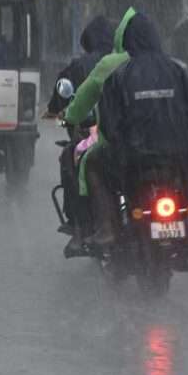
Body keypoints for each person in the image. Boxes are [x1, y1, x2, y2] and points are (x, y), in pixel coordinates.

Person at [90, 12, 188, 246]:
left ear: (128, 42)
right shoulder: (179, 70)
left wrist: (121, 151)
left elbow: (109, 126)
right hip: (179, 158)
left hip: (136, 160)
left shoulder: (119, 75)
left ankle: (109, 227)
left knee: (94, 163)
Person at [49, 16, 115, 257]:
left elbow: (59, 103)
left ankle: (80, 227)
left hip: (97, 137)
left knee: (70, 158)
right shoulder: (131, 61)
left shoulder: (79, 67)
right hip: (134, 138)